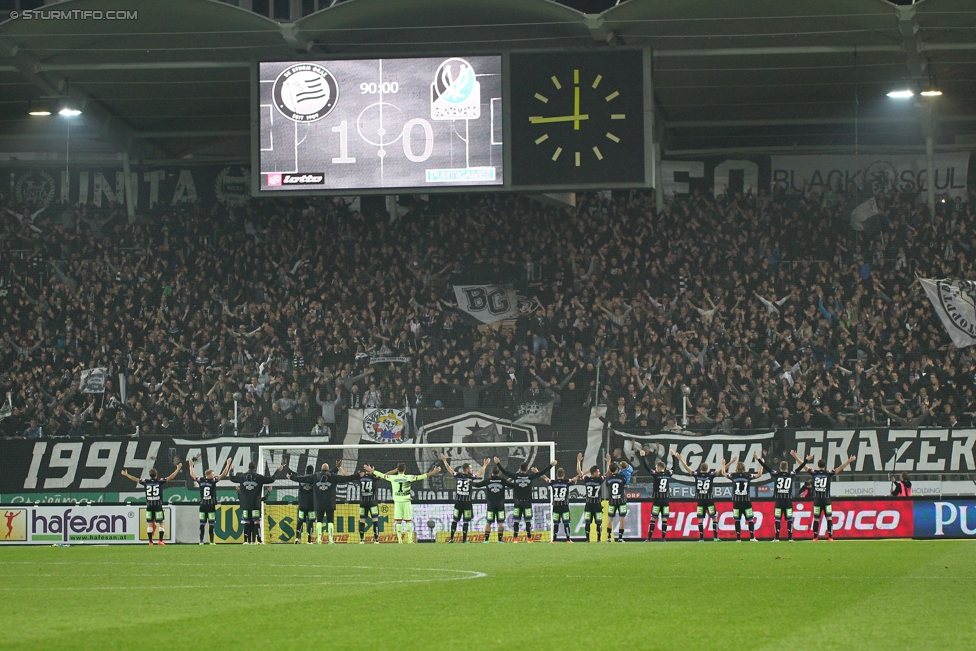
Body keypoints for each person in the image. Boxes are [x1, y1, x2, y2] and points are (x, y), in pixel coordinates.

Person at [369, 462, 441, 543]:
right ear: (405, 469)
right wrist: (433, 472)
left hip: (397, 502)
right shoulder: (408, 477)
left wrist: (372, 470)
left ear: (397, 470)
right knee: (408, 521)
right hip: (406, 501)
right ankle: (409, 540)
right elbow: (422, 476)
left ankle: (400, 540)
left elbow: (382, 475)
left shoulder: (392, 478)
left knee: (398, 521)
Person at [287, 461, 357, 544]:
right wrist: (357, 475)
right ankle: (327, 540)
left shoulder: (314, 477)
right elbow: (345, 478)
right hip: (323, 504)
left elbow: (299, 478)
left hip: (311, 504)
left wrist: (291, 477)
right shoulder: (331, 476)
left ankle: (312, 539)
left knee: (306, 520)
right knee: (325, 521)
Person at [496, 456, 556, 543]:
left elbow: (505, 472)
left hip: (517, 503)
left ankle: (515, 539)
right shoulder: (530, 477)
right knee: (528, 521)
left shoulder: (515, 476)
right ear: (527, 469)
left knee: (516, 521)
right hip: (527, 503)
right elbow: (540, 473)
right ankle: (529, 538)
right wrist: (550, 465)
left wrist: (498, 464)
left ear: (520, 469)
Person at [120, 463, 183, 546]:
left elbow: (136, 479)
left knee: (150, 523)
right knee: (161, 523)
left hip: (149, 505)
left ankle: (150, 541)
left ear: (150, 475)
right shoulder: (159, 481)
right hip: (158, 505)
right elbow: (170, 477)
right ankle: (160, 540)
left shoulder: (146, 482)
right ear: (156, 475)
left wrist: (126, 474)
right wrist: (177, 469)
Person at [756, 450, 811, 542]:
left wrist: (759, 460)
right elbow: (800, 468)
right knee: (789, 520)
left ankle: (777, 538)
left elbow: (767, 467)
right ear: (787, 467)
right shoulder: (790, 474)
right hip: (788, 501)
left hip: (779, 501)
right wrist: (806, 460)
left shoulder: (776, 474)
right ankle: (790, 538)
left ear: (780, 468)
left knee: (777, 519)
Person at [674, 451, 729, 541]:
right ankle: (715, 537)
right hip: (709, 500)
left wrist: (681, 459)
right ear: (707, 469)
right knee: (714, 517)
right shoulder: (710, 475)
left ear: (700, 468)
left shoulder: (697, 475)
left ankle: (701, 538)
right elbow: (720, 471)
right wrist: (726, 464)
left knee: (700, 519)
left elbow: (687, 468)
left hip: (700, 500)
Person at [228, 461, 283, 544]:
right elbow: (271, 479)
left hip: (245, 504)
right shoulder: (259, 477)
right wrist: (278, 471)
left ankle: (246, 541)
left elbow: (232, 478)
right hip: (255, 504)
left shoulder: (242, 476)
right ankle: (259, 540)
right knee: (256, 521)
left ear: (248, 467)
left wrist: (231, 470)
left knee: (247, 522)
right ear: (255, 468)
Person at [440, 454, 489, 543]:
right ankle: (464, 540)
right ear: (467, 469)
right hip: (467, 503)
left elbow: (450, 470)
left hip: (458, 502)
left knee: (455, 520)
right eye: (470, 468)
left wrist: (444, 461)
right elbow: (479, 473)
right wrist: (485, 465)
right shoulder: (471, 477)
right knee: (466, 522)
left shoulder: (458, 475)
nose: (472, 469)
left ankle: (451, 538)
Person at [807, 455, 857, 541]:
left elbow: (804, 466)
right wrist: (849, 461)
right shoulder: (828, 473)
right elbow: (840, 468)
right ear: (825, 465)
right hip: (827, 500)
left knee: (816, 519)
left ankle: (815, 537)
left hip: (817, 501)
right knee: (829, 518)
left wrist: (796, 457)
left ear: (818, 466)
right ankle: (830, 537)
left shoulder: (814, 472)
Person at [188, 456, 233, 544]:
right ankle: (211, 541)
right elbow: (223, 475)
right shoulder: (213, 481)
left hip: (202, 505)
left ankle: (201, 541)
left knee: (202, 524)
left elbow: (192, 475)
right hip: (211, 506)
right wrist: (227, 464)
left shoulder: (200, 480)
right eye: (212, 474)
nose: (214, 475)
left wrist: (191, 466)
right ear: (209, 475)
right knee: (211, 524)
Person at [639, 449, 676, 541]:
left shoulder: (656, 474)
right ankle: (663, 538)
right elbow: (674, 467)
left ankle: (649, 538)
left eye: (656, 467)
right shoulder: (668, 474)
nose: (655, 468)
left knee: (653, 518)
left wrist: (643, 457)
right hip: (666, 500)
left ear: (659, 467)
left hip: (657, 500)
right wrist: (673, 456)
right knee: (664, 519)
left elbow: (646, 467)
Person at [719, 457, 759, 542]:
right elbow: (759, 474)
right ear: (744, 468)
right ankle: (752, 537)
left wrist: (723, 464)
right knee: (750, 519)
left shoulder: (733, 475)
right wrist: (761, 464)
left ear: (736, 468)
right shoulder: (748, 475)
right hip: (746, 502)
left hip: (736, 502)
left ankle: (738, 538)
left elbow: (723, 473)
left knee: (737, 520)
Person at [473, 464, 514, 543]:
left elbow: (477, 485)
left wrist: (470, 482)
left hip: (490, 505)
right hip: (500, 505)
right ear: (499, 473)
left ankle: (486, 540)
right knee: (501, 523)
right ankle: (500, 540)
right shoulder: (502, 480)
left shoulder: (488, 480)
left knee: (488, 522)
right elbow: (512, 485)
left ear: (491, 472)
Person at [541, 467, 578, 543]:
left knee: (556, 524)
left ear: (556, 474)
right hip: (564, 506)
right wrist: (582, 473)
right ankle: (568, 539)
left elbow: (545, 478)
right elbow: (576, 478)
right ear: (564, 475)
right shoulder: (567, 482)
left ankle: (554, 540)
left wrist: (537, 472)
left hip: (556, 506)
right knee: (566, 523)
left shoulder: (553, 482)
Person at [577, 453, 605, 542]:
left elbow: (579, 473)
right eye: (598, 471)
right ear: (595, 473)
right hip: (597, 505)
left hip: (588, 504)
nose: (599, 473)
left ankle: (587, 539)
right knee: (598, 523)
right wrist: (609, 462)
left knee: (588, 522)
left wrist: (578, 462)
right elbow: (608, 473)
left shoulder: (587, 480)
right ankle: (599, 539)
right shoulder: (599, 480)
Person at [289, 464, 316, 544]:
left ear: (305, 470)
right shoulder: (314, 479)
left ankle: (297, 538)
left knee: (300, 521)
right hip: (312, 505)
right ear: (313, 471)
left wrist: (289, 474)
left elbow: (294, 476)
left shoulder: (301, 479)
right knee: (310, 522)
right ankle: (309, 540)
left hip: (302, 505)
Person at [605, 456, 629, 542]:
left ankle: (608, 538)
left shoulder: (608, 479)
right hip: (621, 501)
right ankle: (620, 538)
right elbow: (625, 484)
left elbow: (607, 475)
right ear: (617, 469)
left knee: (610, 519)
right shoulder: (622, 477)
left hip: (612, 501)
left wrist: (608, 463)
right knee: (622, 519)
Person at [356, 465, 381, 544]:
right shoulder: (374, 477)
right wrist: (373, 471)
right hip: (373, 502)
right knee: (375, 521)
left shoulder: (360, 477)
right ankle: (376, 540)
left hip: (363, 502)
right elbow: (384, 475)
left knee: (362, 520)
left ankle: (362, 540)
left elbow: (348, 476)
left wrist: (341, 469)